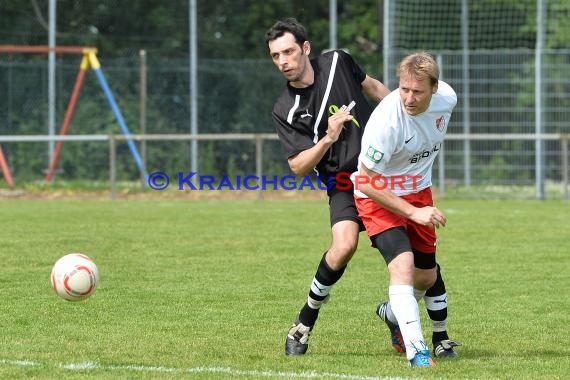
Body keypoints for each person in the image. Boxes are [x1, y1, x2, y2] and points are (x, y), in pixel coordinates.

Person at [265, 17, 390, 356]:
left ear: (305, 48)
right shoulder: (285, 109)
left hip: (383, 174)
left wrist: (407, 120)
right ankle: (303, 324)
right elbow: (297, 166)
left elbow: (375, 88)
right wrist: (327, 138)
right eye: (276, 56)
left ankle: (397, 314)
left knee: (404, 254)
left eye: (288, 52)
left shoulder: (337, 61)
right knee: (344, 246)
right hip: (342, 181)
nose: (283, 62)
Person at [352, 52, 460, 367]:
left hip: (418, 192)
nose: (409, 99)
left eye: (418, 91)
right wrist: (413, 213)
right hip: (376, 195)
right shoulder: (386, 121)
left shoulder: (448, 98)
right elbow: (366, 181)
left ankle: (392, 311)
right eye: (404, 89)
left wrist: (418, 206)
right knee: (402, 266)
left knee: (426, 277)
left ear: (435, 89)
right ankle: (418, 353)